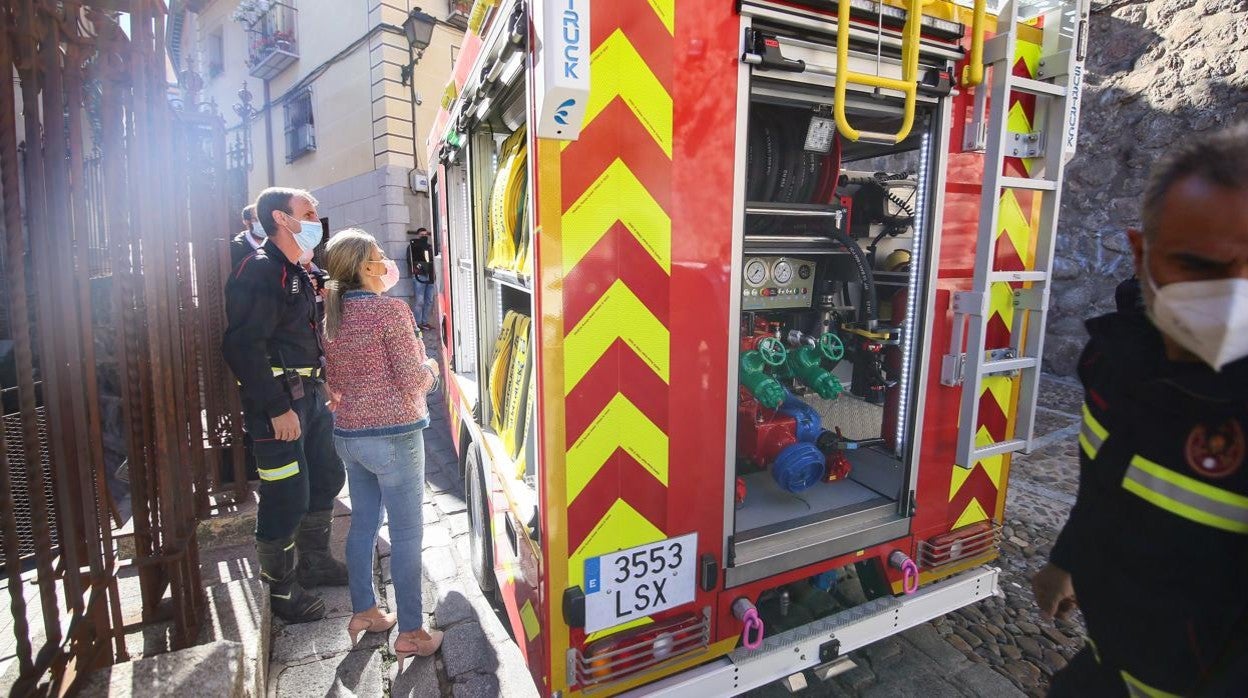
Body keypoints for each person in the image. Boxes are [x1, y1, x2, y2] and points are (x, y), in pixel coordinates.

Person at [1032, 124, 1248, 697]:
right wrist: (1067, 560)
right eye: (1198, 263)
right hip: (1110, 672)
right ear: (1140, 253)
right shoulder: (1116, 366)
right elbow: (1107, 482)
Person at [222, 187, 348, 624]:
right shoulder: (260, 271)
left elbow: (302, 337)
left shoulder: (296, 270)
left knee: (327, 476)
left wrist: (324, 382)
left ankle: (314, 563)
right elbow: (242, 347)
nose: (317, 219)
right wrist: (277, 408)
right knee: (286, 493)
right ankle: (281, 591)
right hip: (278, 407)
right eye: (308, 212)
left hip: (308, 397)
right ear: (283, 218)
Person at [322, 229, 444, 667]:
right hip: (393, 435)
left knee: (363, 526)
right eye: (378, 256)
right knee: (408, 533)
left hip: (350, 437)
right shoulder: (390, 311)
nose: (385, 262)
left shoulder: (331, 316)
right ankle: (411, 631)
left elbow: (335, 379)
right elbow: (413, 380)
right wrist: (431, 366)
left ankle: (366, 612)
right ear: (363, 267)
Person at [407, 227, 436, 331]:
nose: (424, 236)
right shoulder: (412, 247)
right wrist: (417, 270)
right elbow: (410, 261)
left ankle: (425, 322)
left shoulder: (429, 247)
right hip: (419, 276)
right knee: (419, 301)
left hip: (430, 276)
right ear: (418, 235)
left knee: (429, 300)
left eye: (425, 234)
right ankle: (417, 324)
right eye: (421, 234)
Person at [231, 204, 266, 270]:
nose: (262, 223)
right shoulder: (237, 247)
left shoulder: (275, 241)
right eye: (257, 219)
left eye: (264, 218)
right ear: (246, 222)